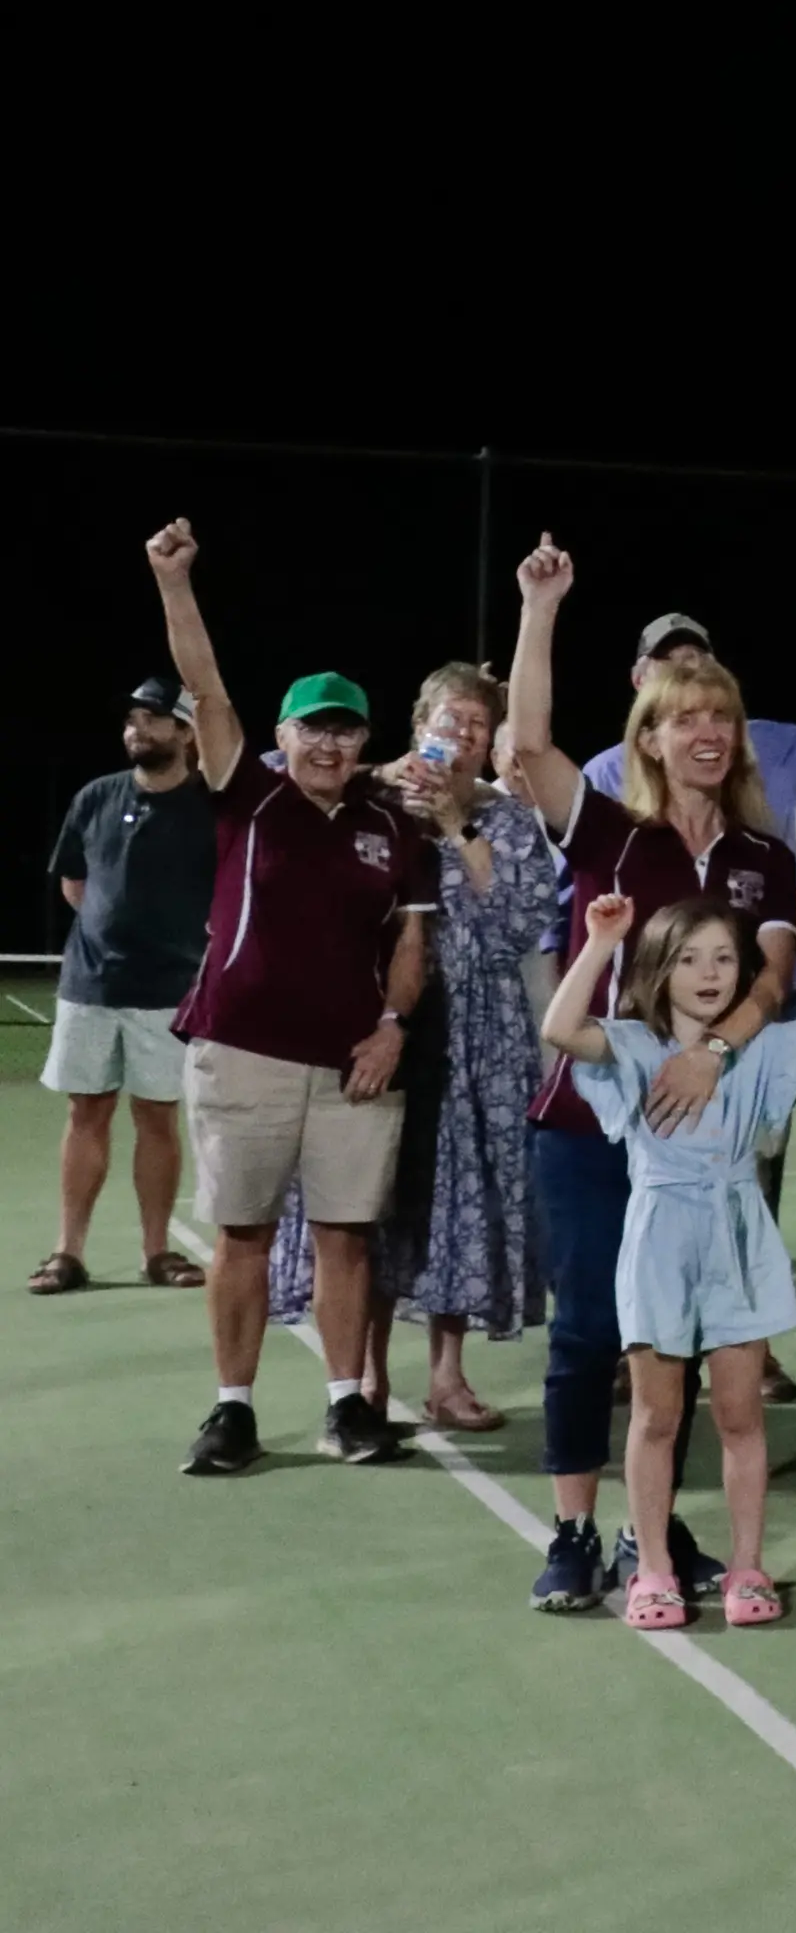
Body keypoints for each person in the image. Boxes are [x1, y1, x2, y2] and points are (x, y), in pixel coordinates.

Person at [503, 535, 796, 1611]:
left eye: (721, 714)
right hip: (591, 1123)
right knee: (590, 1327)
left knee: (675, 1346)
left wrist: (712, 1053)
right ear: (650, 732)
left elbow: (773, 975)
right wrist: (541, 609)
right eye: (687, 715)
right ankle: (576, 1532)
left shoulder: (764, 855)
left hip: (704, 1131)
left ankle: (656, 1540)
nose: (709, 731)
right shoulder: (610, 831)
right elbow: (526, 742)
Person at [143, 520, 439, 1477]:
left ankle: (347, 1403)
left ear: (364, 741)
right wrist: (175, 582)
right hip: (244, 1051)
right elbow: (205, 687)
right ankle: (232, 1408)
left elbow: (410, 940)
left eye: (345, 727)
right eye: (312, 726)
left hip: (356, 1060)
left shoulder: (391, 828)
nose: (329, 741)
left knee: (348, 1235)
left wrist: (394, 1027)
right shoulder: (246, 792)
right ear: (282, 737)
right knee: (243, 1233)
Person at [540, 885, 796, 1630]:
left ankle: (749, 1564)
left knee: (741, 1414)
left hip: (737, 1233)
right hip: (659, 1235)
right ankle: (652, 1566)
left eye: (724, 957)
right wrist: (598, 942)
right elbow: (559, 1028)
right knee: (657, 1416)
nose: (710, 972)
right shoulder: (630, 1044)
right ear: (659, 970)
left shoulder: (763, 1047)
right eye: (690, 959)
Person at [267, 664, 557, 1428]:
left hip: (479, 1039)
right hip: (374, 1026)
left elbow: (520, 921)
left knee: (460, 1208)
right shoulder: (368, 798)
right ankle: (366, 1378)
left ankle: (448, 1378)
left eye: (476, 726)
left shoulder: (508, 819)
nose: (460, 736)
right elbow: (274, 772)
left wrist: (460, 823)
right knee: (369, 1200)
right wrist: (373, 771)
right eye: (448, 720)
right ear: (419, 723)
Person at [34, 677, 216, 1297]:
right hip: (89, 987)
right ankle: (68, 1253)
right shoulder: (96, 797)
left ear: (187, 733)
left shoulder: (211, 806)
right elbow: (75, 884)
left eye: (154, 719)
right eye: (132, 719)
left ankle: (156, 1251)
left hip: (169, 992)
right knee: (86, 1112)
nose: (137, 730)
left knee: (158, 1120)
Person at [577, 576, 796, 811]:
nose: (689, 672)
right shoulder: (604, 776)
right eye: (671, 662)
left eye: (699, 660)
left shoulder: (769, 745)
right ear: (638, 681)